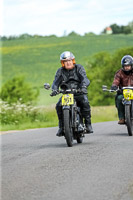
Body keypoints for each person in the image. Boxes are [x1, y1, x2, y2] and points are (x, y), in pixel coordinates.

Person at [50, 51, 93, 136]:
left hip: (78, 92)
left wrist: (83, 87)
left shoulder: (79, 68)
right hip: (66, 94)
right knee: (58, 105)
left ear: (73, 61)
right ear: (63, 63)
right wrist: (54, 89)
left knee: (85, 102)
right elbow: (55, 82)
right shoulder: (60, 71)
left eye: (69, 60)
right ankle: (61, 127)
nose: (68, 62)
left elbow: (84, 78)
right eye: (65, 61)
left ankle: (88, 124)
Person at [111, 55, 133, 124]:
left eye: (128, 66)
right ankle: (121, 118)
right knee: (119, 98)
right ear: (123, 66)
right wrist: (114, 86)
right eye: (125, 66)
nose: (127, 67)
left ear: (131, 65)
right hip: (123, 92)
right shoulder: (119, 73)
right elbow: (116, 80)